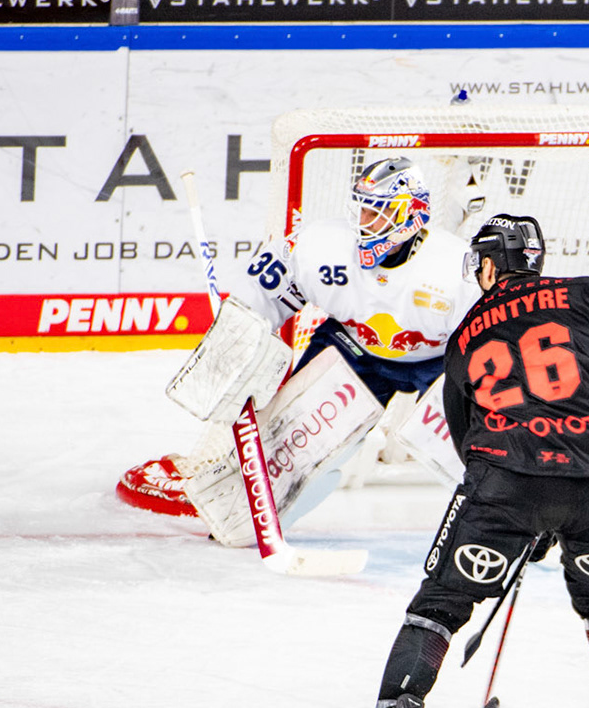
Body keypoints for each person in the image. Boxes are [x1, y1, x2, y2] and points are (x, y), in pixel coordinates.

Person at [341, 214, 589, 708]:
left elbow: (464, 438)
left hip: (503, 481)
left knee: (440, 605)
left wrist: (519, 500)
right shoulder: (588, 292)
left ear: (486, 265)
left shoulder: (467, 334)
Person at [118, 158, 474, 529]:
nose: (362, 223)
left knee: (477, 446)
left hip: (440, 362)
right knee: (290, 447)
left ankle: (511, 510)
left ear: (408, 216)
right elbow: (262, 293)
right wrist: (238, 342)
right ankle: (240, 506)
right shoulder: (321, 245)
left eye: (376, 213)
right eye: (362, 210)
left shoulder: (456, 268)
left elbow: (487, 343)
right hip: (353, 350)